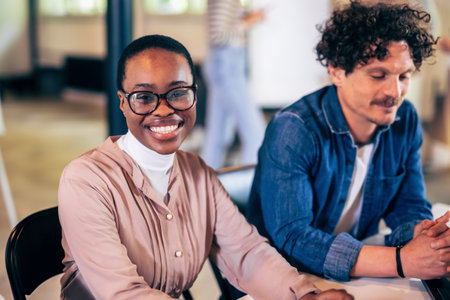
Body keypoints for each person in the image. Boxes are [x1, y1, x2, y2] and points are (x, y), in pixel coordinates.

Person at [57, 34, 352, 300]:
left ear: (195, 95)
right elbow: (123, 295)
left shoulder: (197, 172)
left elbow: (246, 253)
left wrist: (303, 296)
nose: (164, 110)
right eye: (144, 97)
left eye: (178, 92)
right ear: (122, 103)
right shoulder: (86, 180)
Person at [247, 0, 450, 282]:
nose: (395, 91)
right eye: (378, 75)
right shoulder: (295, 129)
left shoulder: (405, 119)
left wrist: (425, 236)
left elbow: (409, 205)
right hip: (282, 277)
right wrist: (402, 261)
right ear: (337, 71)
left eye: (404, 76)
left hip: (354, 273)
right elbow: (294, 237)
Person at [201, 0, 267, 169]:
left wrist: (244, 17)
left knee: (217, 136)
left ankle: (199, 188)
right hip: (228, 64)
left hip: (223, 62)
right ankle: (249, 190)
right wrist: (249, 21)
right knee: (255, 132)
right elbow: (219, 35)